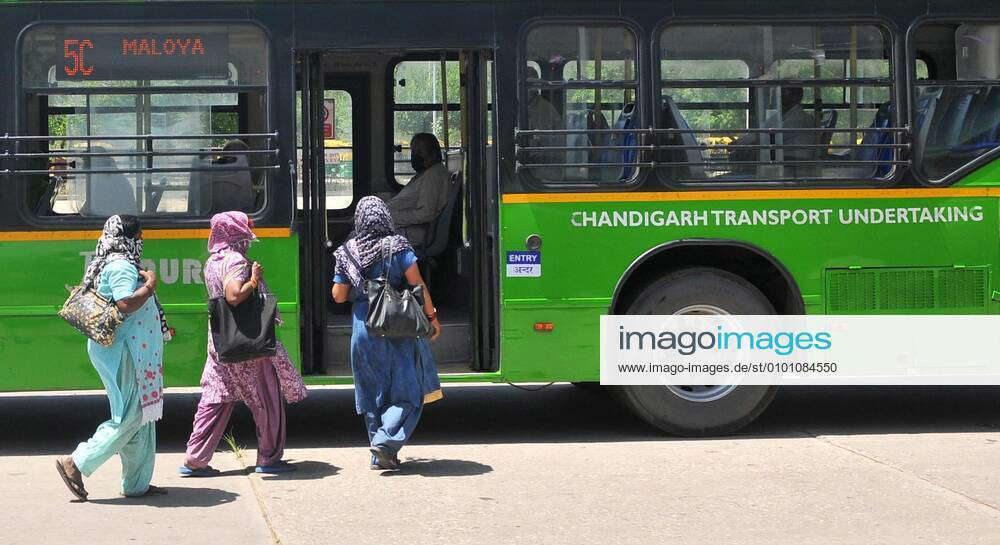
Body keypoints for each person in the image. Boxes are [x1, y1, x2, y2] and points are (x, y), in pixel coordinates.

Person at [180, 211, 308, 476]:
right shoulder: (236, 260)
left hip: (221, 341)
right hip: (248, 342)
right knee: (265, 398)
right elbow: (234, 295)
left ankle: (195, 458)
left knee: (215, 398)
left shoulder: (213, 261)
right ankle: (269, 458)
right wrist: (254, 279)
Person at [56, 215, 170, 500]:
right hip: (124, 352)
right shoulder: (120, 265)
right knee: (132, 416)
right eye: (140, 234)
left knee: (143, 416)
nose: (142, 240)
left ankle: (137, 483)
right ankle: (77, 462)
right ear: (129, 237)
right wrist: (151, 284)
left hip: (131, 350)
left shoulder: (118, 261)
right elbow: (126, 302)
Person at [332, 196, 443, 470]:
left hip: (363, 327)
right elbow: (418, 285)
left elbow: (337, 295)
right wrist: (432, 317)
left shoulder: (347, 251)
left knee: (372, 394)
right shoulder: (398, 246)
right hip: (398, 325)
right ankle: (385, 442)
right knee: (410, 392)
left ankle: (380, 455)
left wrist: (362, 290)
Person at [386, 133, 451, 247]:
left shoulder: (433, 175)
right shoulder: (424, 173)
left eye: (420, 152)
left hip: (411, 233)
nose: (415, 156)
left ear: (433, 153)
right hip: (400, 226)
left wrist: (391, 217)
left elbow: (425, 214)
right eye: (413, 152)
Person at [731, 87, 817, 166]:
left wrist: (742, 144)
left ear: (793, 97)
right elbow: (761, 130)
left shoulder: (799, 117)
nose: (775, 95)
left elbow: (772, 137)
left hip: (794, 161)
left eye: (781, 92)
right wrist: (740, 142)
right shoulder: (782, 115)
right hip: (781, 155)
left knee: (747, 154)